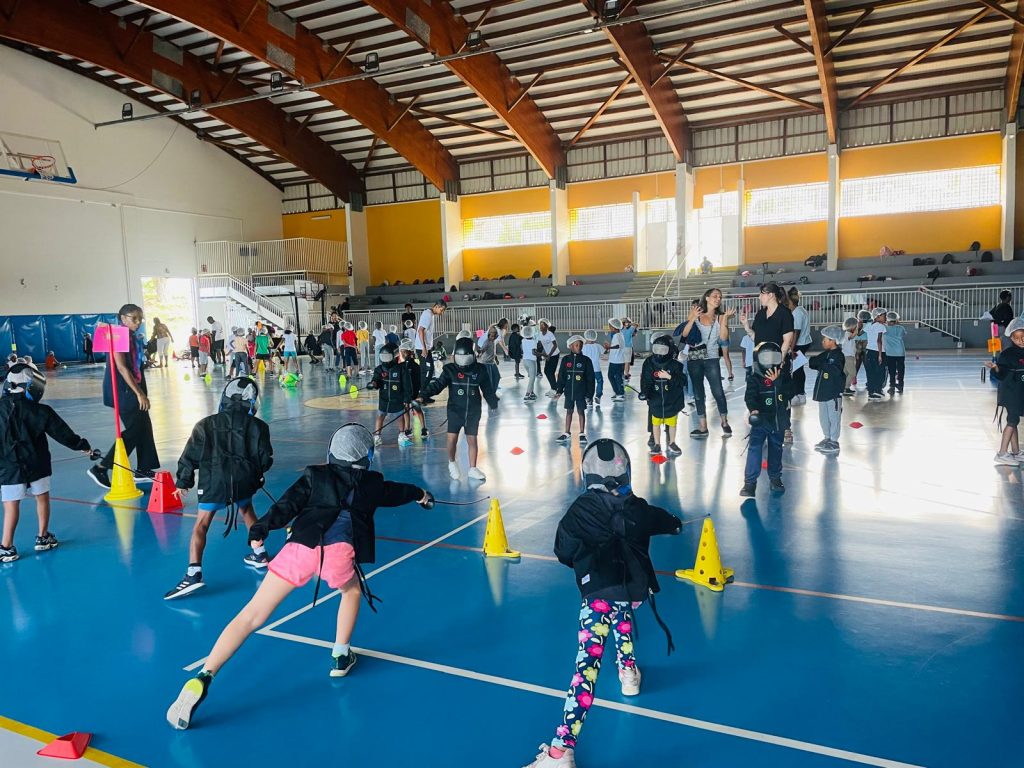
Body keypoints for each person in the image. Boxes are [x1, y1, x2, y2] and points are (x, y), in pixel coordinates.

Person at [166, 424, 434, 730]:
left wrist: (260, 529)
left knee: (251, 616)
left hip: (300, 549)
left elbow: (287, 505)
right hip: (338, 555)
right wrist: (421, 494)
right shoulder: (372, 483)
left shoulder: (314, 475)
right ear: (367, 457)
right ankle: (340, 655)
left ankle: (204, 675)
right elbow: (397, 492)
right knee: (351, 591)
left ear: (332, 452)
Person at [526, 439, 681, 768]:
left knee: (586, 669)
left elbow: (563, 551)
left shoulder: (580, 510)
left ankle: (560, 751)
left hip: (598, 595)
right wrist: (674, 523)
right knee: (622, 615)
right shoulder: (637, 507)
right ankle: (628, 672)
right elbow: (665, 521)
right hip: (633, 591)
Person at [165, 379, 273, 599]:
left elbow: (190, 455)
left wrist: (183, 481)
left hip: (214, 480)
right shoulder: (259, 427)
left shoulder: (205, 424)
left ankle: (193, 574)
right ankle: (259, 553)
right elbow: (265, 459)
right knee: (247, 510)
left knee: (202, 524)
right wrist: (256, 476)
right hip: (243, 480)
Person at [0, 363, 92, 563]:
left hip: (9, 466)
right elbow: (62, 433)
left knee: (10, 505)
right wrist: (82, 446)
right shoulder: (41, 410)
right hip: (37, 462)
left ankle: (6, 547)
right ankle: (43, 537)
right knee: (42, 498)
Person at [88, 304, 159, 489]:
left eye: (140, 318)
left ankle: (144, 469)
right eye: (133, 318)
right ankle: (101, 467)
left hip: (135, 385)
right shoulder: (117, 336)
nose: (138, 322)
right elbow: (121, 367)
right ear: (123, 318)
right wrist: (139, 393)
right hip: (123, 389)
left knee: (144, 425)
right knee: (135, 428)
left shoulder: (132, 337)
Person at [417, 336, 498, 482]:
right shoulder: (450, 370)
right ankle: (452, 462)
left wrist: (493, 404)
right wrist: (423, 396)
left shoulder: (480, 370)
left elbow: (487, 389)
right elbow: (437, 385)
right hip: (455, 410)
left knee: (472, 439)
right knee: (452, 439)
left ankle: (472, 468)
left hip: (473, 411)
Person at [741, 282, 794, 441]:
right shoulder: (760, 314)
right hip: (760, 362)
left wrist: (780, 361)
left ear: (771, 295)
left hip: (777, 362)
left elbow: (787, 341)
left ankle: (784, 427)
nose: (759, 297)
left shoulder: (784, 314)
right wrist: (747, 327)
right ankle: (764, 425)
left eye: (761, 294)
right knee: (761, 393)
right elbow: (756, 338)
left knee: (780, 394)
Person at [680, 289, 733, 438]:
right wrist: (692, 319)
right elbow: (684, 334)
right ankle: (703, 426)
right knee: (698, 393)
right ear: (707, 298)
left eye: (720, 297)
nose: (718, 298)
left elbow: (723, 338)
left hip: (712, 358)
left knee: (718, 391)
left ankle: (724, 422)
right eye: (715, 296)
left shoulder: (720, 316)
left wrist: (725, 320)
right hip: (695, 358)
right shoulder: (696, 313)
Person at [741, 342, 788, 497]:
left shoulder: (784, 376)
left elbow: (790, 392)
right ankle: (750, 483)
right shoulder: (754, 378)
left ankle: (775, 479)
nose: (770, 361)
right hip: (760, 421)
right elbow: (750, 396)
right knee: (754, 448)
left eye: (774, 357)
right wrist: (753, 409)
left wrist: (777, 381)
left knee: (776, 449)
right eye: (766, 357)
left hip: (778, 420)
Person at [986, 319, 1024, 465]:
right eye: (1017, 338)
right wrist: (995, 368)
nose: (1021, 341)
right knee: (1013, 420)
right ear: (1012, 338)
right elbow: (1001, 373)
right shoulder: (1007, 354)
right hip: (1009, 393)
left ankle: (1015, 452)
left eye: (1023, 337)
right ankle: (1002, 453)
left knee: (1013, 420)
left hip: (1018, 392)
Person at [641, 335, 686, 456]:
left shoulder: (676, 365)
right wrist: (645, 392)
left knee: (672, 423)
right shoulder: (649, 363)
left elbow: (682, 382)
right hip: (655, 401)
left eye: (663, 350)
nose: (659, 353)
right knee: (655, 423)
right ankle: (657, 444)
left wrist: (669, 377)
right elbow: (646, 380)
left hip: (671, 401)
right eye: (657, 349)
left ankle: (672, 442)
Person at [808, 326, 847, 455]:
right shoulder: (826, 354)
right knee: (823, 417)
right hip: (822, 393)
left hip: (833, 393)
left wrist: (823, 364)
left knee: (833, 417)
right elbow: (812, 362)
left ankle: (834, 441)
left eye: (825, 339)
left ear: (832, 340)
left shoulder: (838, 356)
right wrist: (822, 364)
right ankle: (827, 437)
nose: (822, 342)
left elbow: (835, 370)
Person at [553, 335, 595, 445]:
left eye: (580, 345)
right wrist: (559, 390)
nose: (579, 347)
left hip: (581, 392)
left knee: (581, 411)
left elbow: (590, 379)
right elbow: (561, 376)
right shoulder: (566, 360)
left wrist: (589, 394)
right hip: (569, 392)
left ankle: (582, 433)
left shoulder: (586, 360)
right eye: (576, 345)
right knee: (569, 411)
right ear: (570, 346)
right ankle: (567, 432)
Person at [369, 342, 411, 447]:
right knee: (380, 415)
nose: (386, 360)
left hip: (397, 398)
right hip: (384, 398)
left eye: (388, 357)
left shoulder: (402, 369)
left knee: (400, 416)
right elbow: (376, 380)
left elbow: (407, 385)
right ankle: (377, 436)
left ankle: (401, 434)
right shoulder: (379, 369)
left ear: (395, 355)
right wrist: (373, 384)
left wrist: (407, 399)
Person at [415, 300, 447, 395]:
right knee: (428, 370)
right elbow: (420, 331)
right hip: (422, 348)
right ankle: (422, 394)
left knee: (426, 370)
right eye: (441, 310)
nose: (442, 312)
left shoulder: (430, 315)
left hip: (425, 347)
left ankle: (423, 394)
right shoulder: (428, 314)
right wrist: (424, 348)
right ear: (436, 306)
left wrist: (429, 346)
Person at [787, 288, 812, 405]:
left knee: (796, 370)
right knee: (798, 369)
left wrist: (792, 348)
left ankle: (798, 394)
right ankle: (800, 394)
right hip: (804, 342)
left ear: (790, 302)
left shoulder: (797, 313)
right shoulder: (801, 310)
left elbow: (796, 332)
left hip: (800, 344)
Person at [398, 339, 423, 445]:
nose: (402, 354)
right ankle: (412, 429)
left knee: (412, 409)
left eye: (404, 351)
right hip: (410, 391)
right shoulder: (407, 365)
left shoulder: (411, 365)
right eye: (401, 351)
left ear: (409, 352)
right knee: (410, 409)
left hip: (412, 391)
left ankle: (418, 428)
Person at [864, 308, 888, 400]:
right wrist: (880, 355)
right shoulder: (880, 326)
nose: (885, 318)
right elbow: (879, 340)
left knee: (871, 372)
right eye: (884, 316)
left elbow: (861, 333)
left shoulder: (868, 325)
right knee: (880, 372)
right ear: (878, 317)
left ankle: (871, 392)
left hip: (869, 351)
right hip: (877, 351)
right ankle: (877, 390)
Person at [604, 318, 627, 402]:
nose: (609, 327)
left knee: (616, 377)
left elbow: (617, 346)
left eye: (610, 326)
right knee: (613, 376)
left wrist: (609, 347)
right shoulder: (619, 335)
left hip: (617, 361)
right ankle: (618, 392)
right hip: (616, 360)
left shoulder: (617, 335)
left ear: (614, 327)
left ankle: (620, 393)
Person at [884, 311, 906, 395]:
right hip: (900, 353)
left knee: (892, 371)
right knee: (901, 370)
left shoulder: (884, 328)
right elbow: (903, 335)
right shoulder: (901, 328)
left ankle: (892, 386)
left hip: (890, 353)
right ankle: (900, 385)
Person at [477, 325, 502, 394]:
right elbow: (483, 349)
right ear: (488, 335)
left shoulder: (493, 341)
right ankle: (490, 393)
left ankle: (493, 391)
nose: (493, 338)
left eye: (495, 336)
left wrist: (496, 359)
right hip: (486, 363)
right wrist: (480, 352)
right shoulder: (487, 342)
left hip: (492, 362)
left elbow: (493, 351)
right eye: (492, 336)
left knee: (497, 376)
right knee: (490, 379)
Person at [538, 318, 560, 395]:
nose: (541, 326)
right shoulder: (540, 334)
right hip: (548, 355)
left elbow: (555, 345)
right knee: (546, 371)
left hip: (554, 354)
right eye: (540, 325)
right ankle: (553, 388)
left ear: (546, 326)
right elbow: (543, 346)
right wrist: (542, 354)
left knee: (550, 372)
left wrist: (549, 355)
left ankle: (555, 389)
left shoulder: (550, 334)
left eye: (542, 325)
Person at [582, 329, 604, 405]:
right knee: (600, 381)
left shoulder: (583, 347)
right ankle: (598, 396)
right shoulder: (598, 346)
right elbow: (604, 352)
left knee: (588, 383)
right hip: (597, 368)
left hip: (587, 369)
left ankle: (588, 398)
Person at [521, 324, 540, 402]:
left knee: (531, 377)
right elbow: (534, 352)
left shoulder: (523, 340)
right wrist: (542, 354)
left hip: (525, 361)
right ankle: (527, 394)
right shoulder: (533, 341)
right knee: (532, 379)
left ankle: (532, 393)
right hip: (531, 361)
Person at [841, 317, 858, 397]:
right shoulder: (847, 334)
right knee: (853, 373)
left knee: (846, 373)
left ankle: (844, 387)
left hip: (849, 356)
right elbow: (852, 336)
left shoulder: (848, 334)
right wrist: (858, 329)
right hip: (847, 357)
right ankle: (846, 387)